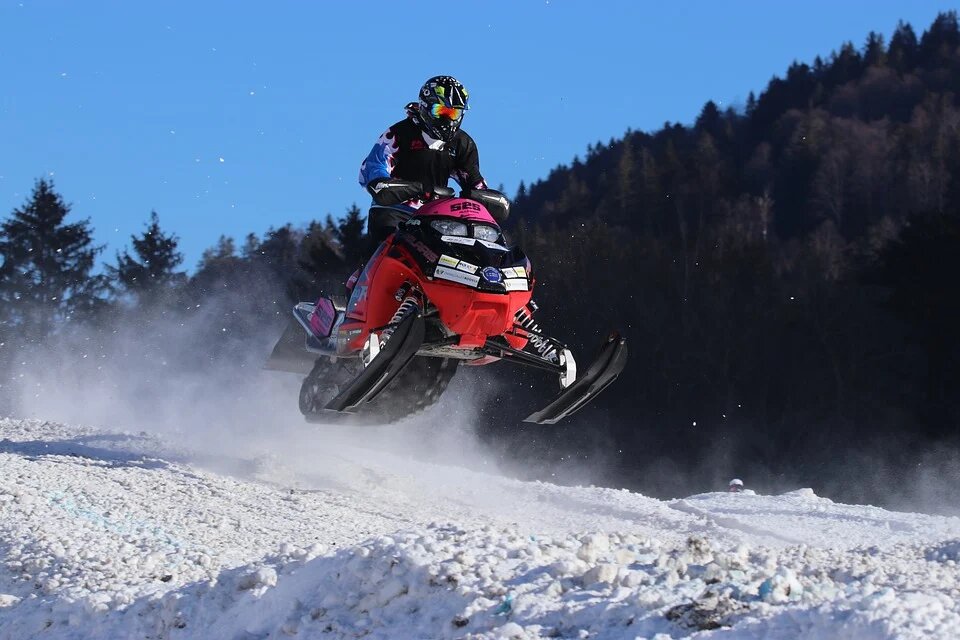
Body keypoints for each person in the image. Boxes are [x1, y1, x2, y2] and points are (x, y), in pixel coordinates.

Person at [357, 75, 492, 243]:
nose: (448, 120)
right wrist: (381, 183)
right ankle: (376, 266)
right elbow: (372, 168)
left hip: (437, 215)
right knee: (388, 242)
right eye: (440, 111)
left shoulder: (462, 143)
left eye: (453, 113)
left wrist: (487, 200)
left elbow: (475, 183)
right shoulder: (398, 134)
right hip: (395, 210)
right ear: (425, 107)